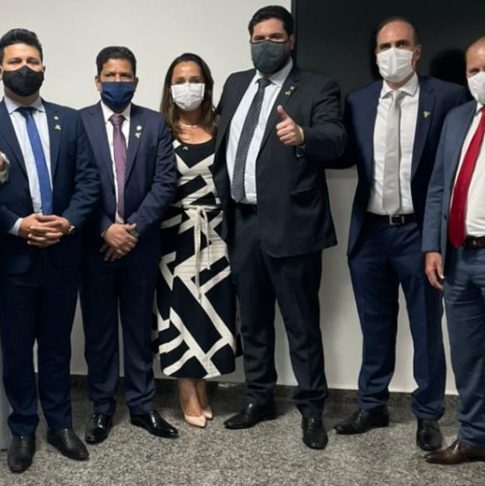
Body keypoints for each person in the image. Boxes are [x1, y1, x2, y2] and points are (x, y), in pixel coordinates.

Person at [214, 5, 346, 450]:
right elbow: (224, 142)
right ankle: (259, 398)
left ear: (291, 41)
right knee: (252, 320)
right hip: (242, 222)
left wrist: (304, 135)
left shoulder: (317, 86)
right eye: (258, 39)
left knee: (301, 324)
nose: (265, 45)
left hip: (293, 227)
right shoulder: (235, 84)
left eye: (274, 38)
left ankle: (312, 410)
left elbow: (337, 139)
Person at [334, 17, 467, 451]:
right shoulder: (358, 101)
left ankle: (428, 415)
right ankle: (372, 405)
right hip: (370, 233)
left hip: (419, 234)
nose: (392, 52)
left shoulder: (446, 97)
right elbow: (342, 154)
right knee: (374, 325)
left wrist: (437, 238)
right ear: (375, 55)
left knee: (427, 328)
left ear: (417, 51)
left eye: (401, 44)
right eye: (384, 46)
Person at [0, 28, 99, 473]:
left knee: (57, 345)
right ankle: (23, 429)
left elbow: (88, 181)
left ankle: (60, 424)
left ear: (44, 66)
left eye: (31, 61)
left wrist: (67, 222)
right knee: (16, 346)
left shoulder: (70, 120)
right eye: (15, 62)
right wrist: (18, 225)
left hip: (62, 252)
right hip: (14, 255)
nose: (24, 69)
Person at [79, 46, 178, 444]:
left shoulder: (155, 124)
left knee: (138, 330)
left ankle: (142, 406)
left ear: (136, 81)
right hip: (94, 247)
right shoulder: (79, 123)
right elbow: (73, 183)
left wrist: (130, 231)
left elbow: (165, 183)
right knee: (99, 332)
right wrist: (105, 229)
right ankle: (102, 408)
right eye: (110, 75)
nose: (117, 82)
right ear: (97, 80)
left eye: (124, 76)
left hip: (140, 247)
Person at [155, 53, 240, 428]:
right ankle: (185, 390)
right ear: (169, 87)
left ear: (207, 85)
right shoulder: (160, 130)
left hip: (218, 234)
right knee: (179, 313)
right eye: (180, 80)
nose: (187, 87)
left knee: (213, 310)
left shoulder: (223, 127)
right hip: (174, 235)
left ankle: (203, 385)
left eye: (194, 79)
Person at [422, 35, 485, 465]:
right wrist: (432, 245)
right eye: (473, 71)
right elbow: (439, 187)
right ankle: (475, 437)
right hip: (459, 257)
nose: (479, 78)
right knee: (467, 356)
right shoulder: (458, 117)